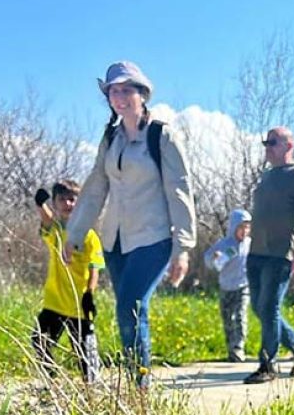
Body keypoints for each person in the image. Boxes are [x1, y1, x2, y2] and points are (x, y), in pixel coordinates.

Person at [64, 61, 196, 389]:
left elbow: (179, 190)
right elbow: (95, 188)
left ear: (142, 94)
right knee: (126, 313)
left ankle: (140, 390)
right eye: (113, 91)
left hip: (153, 238)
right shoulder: (111, 138)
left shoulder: (161, 136)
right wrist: (74, 234)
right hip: (116, 242)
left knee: (131, 306)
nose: (119, 97)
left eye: (125, 90)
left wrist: (183, 248)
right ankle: (134, 382)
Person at [243, 126, 294, 384]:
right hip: (257, 253)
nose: (268, 147)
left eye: (273, 142)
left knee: (269, 307)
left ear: (289, 145)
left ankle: (268, 364)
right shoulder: (266, 176)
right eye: (266, 143)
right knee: (259, 307)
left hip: (280, 253)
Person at [33, 181, 103, 383]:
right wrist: (41, 204)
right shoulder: (55, 230)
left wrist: (90, 293)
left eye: (72, 199)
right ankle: (52, 380)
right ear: (55, 203)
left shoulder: (89, 235)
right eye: (62, 199)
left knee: (83, 351)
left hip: (78, 304)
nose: (67, 203)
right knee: (39, 340)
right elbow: (46, 221)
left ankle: (92, 388)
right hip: (54, 301)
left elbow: (94, 266)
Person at [203, 209, 252, 362]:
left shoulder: (251, 244)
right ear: (233, 227)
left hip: (243, 286)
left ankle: (239, 347)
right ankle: (231, 348)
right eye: (241, 227)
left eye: (247, 227)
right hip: (226, 287)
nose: (244, 231)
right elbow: (209, 260)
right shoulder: (224, 244)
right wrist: (214, 258)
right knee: (227, 318)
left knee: (240, 316)